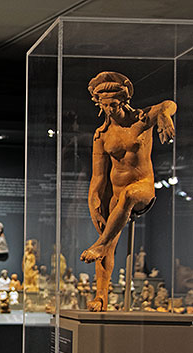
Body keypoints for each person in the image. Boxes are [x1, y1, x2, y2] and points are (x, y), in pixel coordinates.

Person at [80, 72, 176, 312]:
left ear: (123, 101)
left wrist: (164, 115)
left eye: (114, 104)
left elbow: (168, 103)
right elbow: (98, 177)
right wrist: (93, 203)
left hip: (143, 189)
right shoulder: (102, 136)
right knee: (108, 235)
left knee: (129, 196)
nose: (110, 110)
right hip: (116, 196)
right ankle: (101, 297)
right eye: (105, 106)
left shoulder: (142, 120)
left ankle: (100, 243)